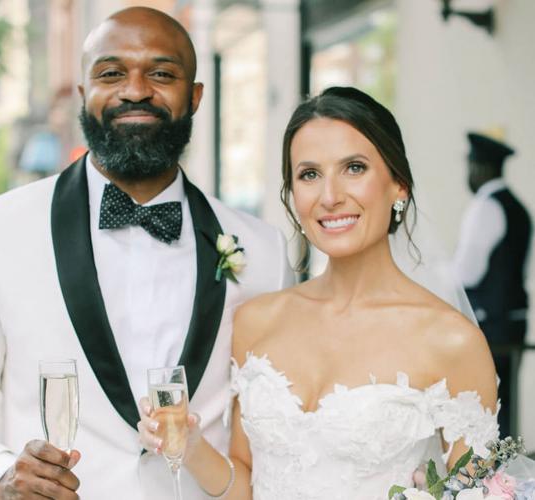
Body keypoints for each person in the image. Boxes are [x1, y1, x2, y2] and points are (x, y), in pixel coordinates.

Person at [0, 7, 294, 500]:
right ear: (83, 94)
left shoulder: (263, 251)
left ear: (195, 97)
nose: (135, 90)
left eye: (161, 73)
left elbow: (268, 433)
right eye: (111, 74)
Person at [139, 87, 500, 500]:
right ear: (293, 195)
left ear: (399, 184)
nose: (330, 197)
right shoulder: (257, 321)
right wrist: (191, 445)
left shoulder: (452, 341)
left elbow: (477, 492)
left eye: (354, 168)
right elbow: (246, 482)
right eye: (309, 174)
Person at [454, 131, 532, 439]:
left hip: (491, 325)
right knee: (505, 407)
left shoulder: (485, 206)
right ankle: (506, 480)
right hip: (514, 321)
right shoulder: (519, 208)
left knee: (485, 407)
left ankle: (489, 482)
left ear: (480, 168)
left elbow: (467, 274)